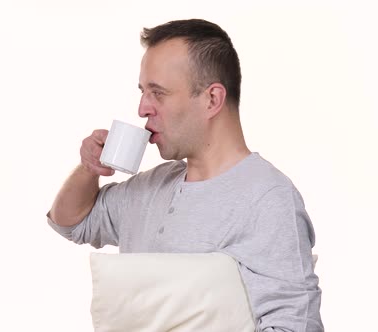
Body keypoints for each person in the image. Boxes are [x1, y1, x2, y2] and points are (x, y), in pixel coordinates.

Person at [47, 19, 323, 331]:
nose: (142, 108)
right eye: (142, 91)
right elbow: (69, 222)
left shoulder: (268, 199)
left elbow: (296, 326)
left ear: (212, 99)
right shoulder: (152, 186)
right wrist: (89, 170)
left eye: (158, 93)